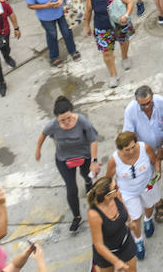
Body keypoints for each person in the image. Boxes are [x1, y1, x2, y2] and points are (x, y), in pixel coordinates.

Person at [35, 96, 100, 234]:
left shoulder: (82, 121)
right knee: (71, 189)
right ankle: (77, 216)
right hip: (64, 160)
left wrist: (94, 161)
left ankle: (89, 183)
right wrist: (38, 150)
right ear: (56, 118)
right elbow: (42, 135)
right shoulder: (52, 125)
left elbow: (93, 140)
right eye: (62, 120)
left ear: (72, 113)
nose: (66, 122)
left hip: (84, 156)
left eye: (68, 118)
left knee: (86, 176)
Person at [100, 131, 162, 259]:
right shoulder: (114, 160)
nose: (132, 151)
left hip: (148, 185)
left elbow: (155, 161)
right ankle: (138, 241)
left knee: (149, 206)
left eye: (134, 147)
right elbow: (108, 179)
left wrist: (157, 173)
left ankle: (148, 220)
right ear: (120, 150)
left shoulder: (145, 148)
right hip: (127, 192)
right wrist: (114, 194)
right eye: (127, 149)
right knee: (135, 218)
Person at [25, 0, 81, 66]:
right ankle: (54, 57)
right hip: (46, 17)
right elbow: (30, 5)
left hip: (62, 12)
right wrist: (46, 6)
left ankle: (73, 51)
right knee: (52, 35)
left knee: (67, 32)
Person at [87, 0, 136, 87]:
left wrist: (127, 15)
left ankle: (125, 57)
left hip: (119, 25)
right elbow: (88, 11)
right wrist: (87, 26)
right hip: (102, 28)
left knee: (124, 42)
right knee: (107, 54)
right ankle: (113, 75)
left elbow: (129, 2)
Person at [85, 175, 138, 272]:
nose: (119, 188)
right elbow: (98, 245)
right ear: (106, 196)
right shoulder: (94, 214)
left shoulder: (117, 195)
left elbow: (123, 207)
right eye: (115, 187)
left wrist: (130, 221)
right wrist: (116, 261)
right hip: (107, 252)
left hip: (125, 243)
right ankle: (95, 266)